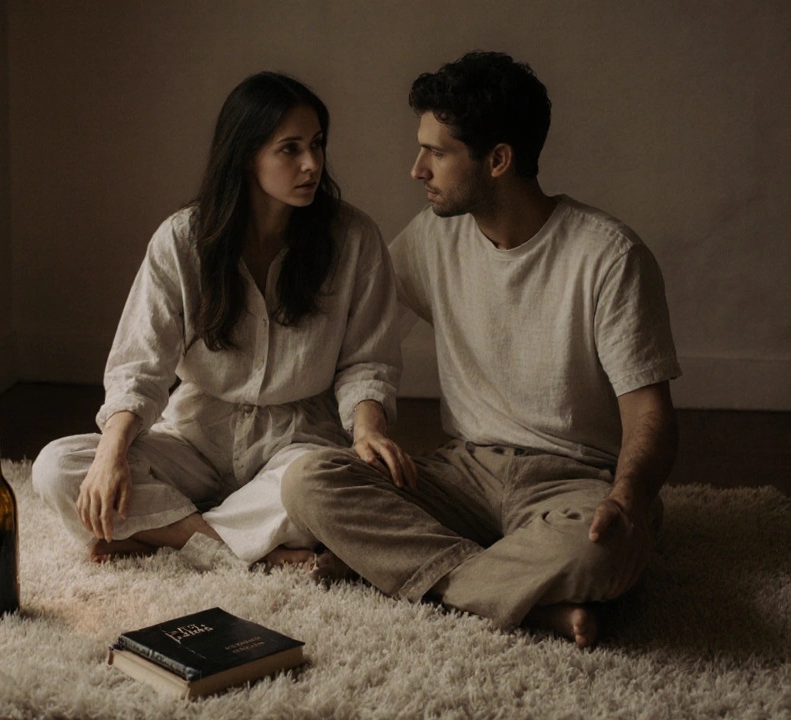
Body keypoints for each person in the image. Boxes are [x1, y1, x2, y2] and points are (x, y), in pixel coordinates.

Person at [282, 51, 681, 648]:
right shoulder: (432, 238)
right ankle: (531, 604)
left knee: (600, 551)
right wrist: (362, 423)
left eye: (436, 153)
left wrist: (626, 499)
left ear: (498, 160)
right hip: (464, 472)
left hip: (572, 481)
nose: (417, 169)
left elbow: (651, 416)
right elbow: (354, 335)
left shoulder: (608, 257)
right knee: (309, 480)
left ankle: (409, 572)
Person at [33, 72, 413, 569]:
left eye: (317, 145)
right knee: (57, 469)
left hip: (297, 442)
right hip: (194, 435)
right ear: (245, 154)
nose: (312, 164)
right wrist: (111, 455)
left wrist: (366, 431)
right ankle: (252, 549)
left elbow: (368, 361)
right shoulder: (181, 241)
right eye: (290, 148)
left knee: (321, 492)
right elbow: (139, 366)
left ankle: (167, 534)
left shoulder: (354, 239)